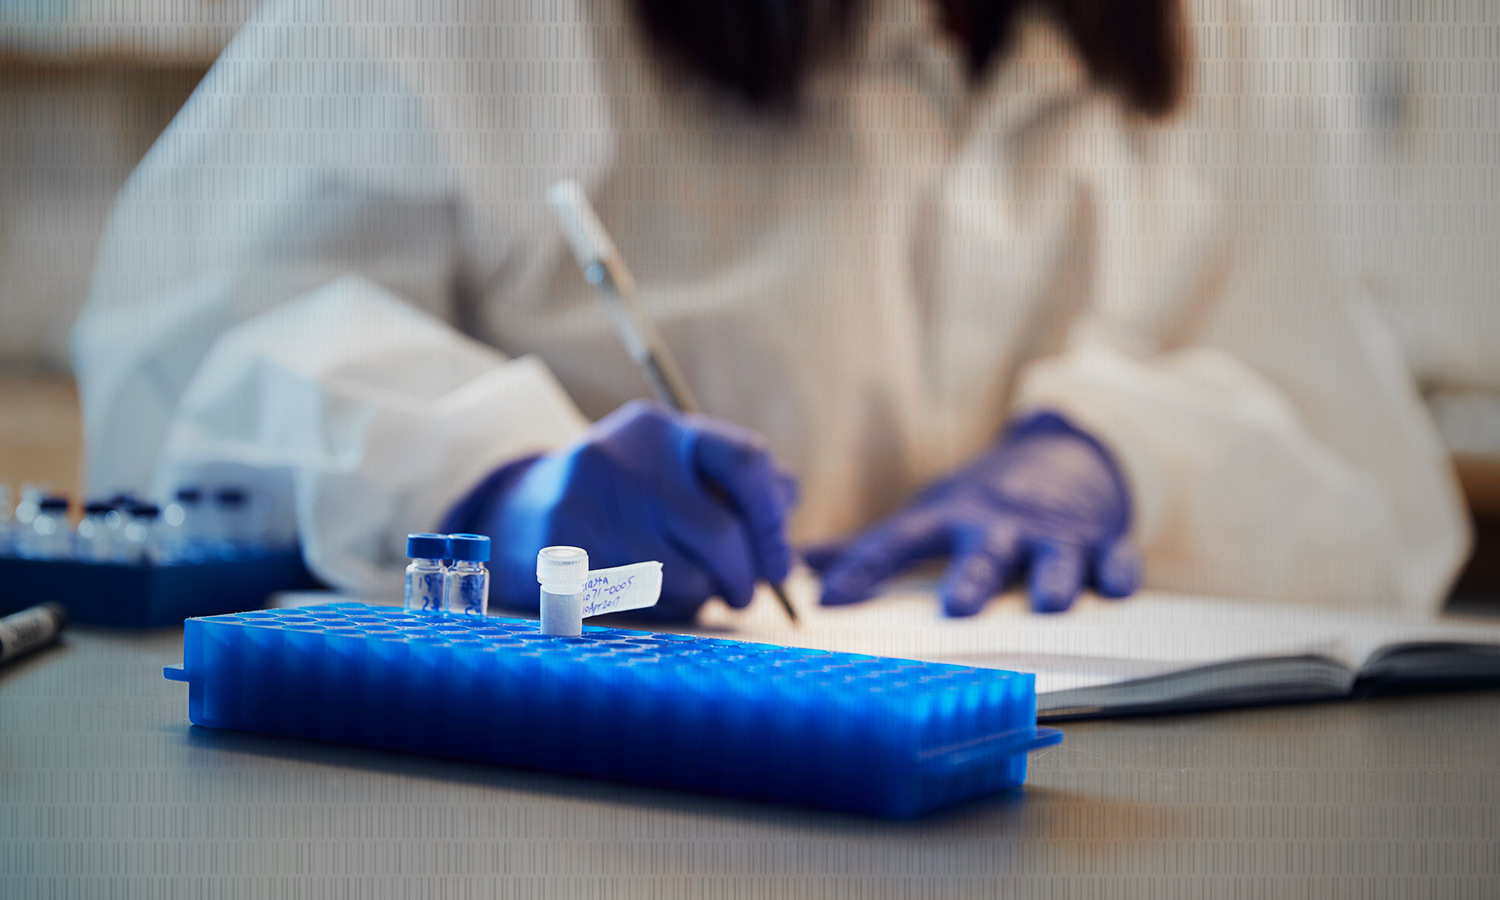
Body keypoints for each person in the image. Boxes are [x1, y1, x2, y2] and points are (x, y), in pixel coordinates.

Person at [72, 0, 1468, 619]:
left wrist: (1133, 460)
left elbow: (1375, 481)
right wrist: (486, 482)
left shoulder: (1246, 28)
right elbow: (178, 340)